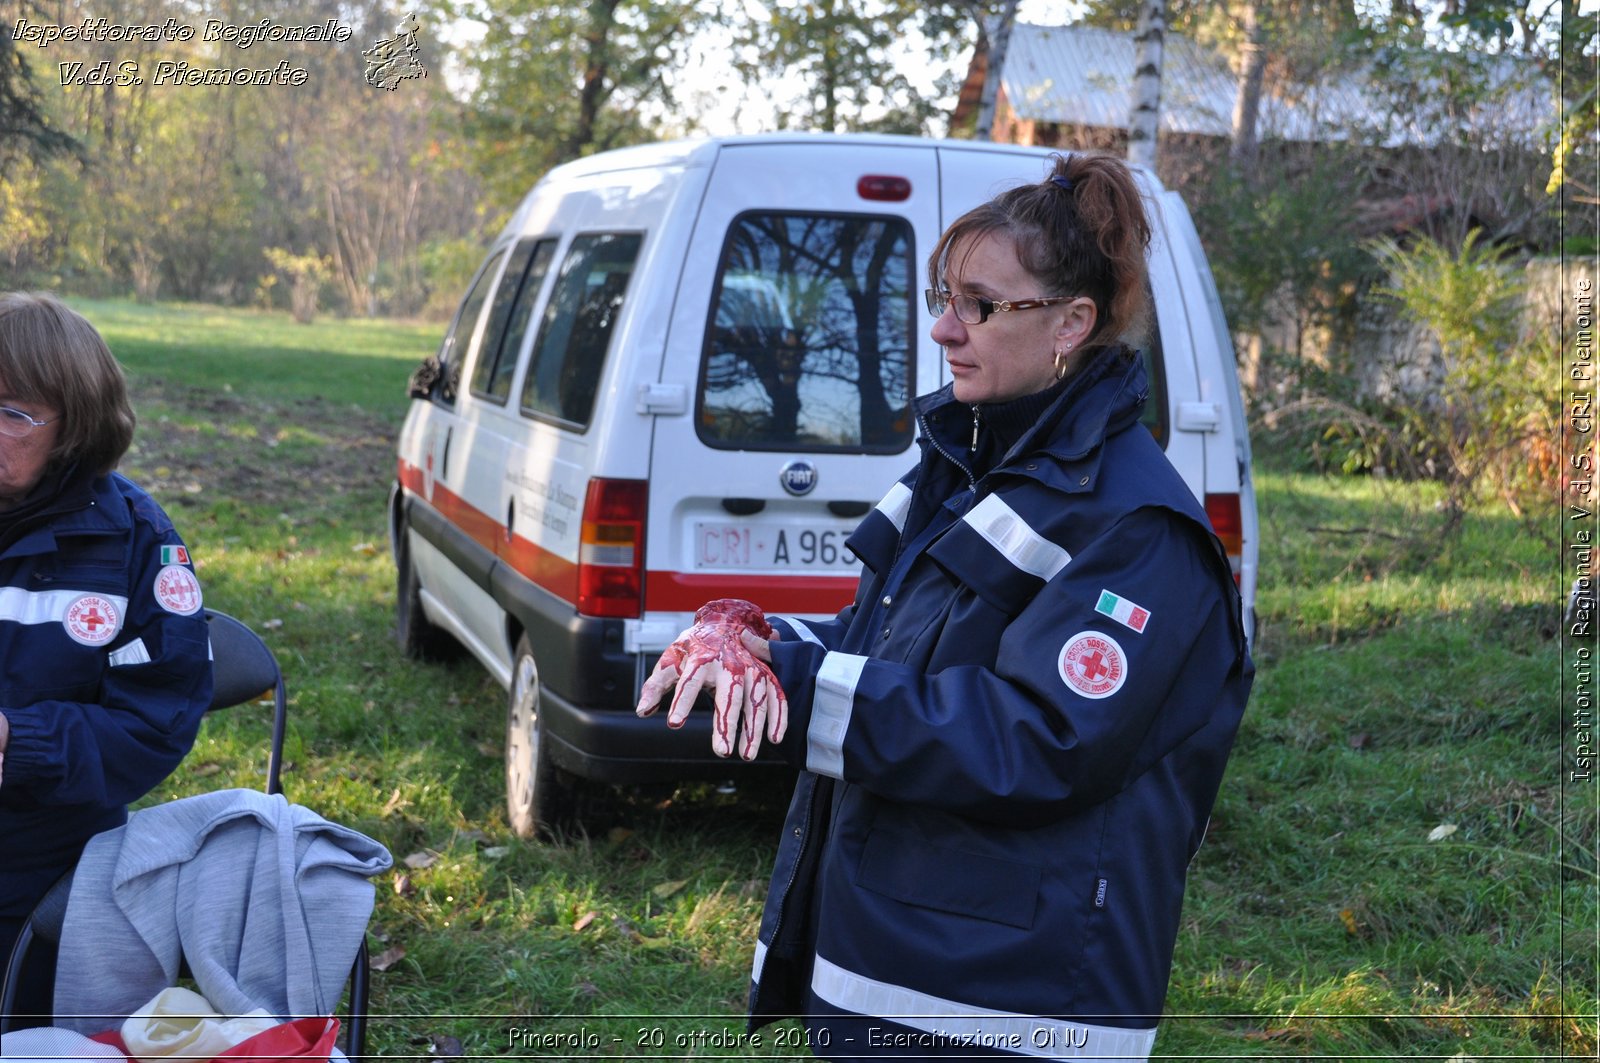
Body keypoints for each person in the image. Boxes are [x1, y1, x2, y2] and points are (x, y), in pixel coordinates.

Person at [638, 153, 1253, 1060]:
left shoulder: (1139, 528)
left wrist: (803, 686)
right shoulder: (965, 470)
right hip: (895, 965)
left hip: (1012, 1001)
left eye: (979, 304)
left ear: (1071, 324)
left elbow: (1040, 741)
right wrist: (761, 642)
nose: (941, 328)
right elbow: (886, 650)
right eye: (942, 296)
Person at [0, 292, 212, 976]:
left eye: (10, 412)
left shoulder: (135, 544)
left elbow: (154, 724)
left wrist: (18, 742)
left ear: (75, 428)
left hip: (44, 867)